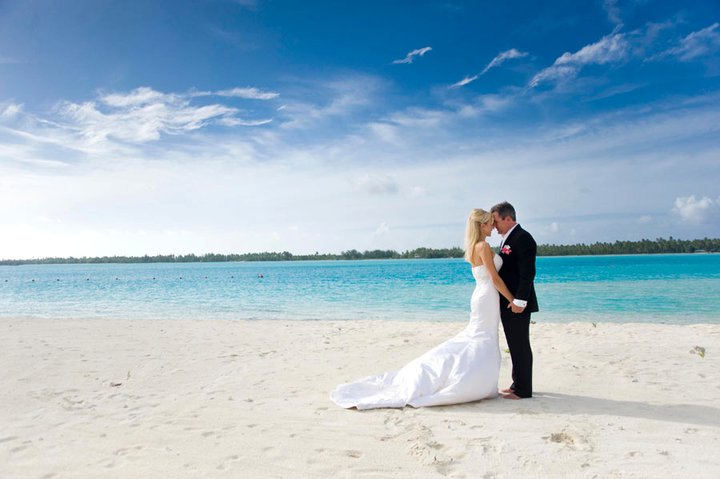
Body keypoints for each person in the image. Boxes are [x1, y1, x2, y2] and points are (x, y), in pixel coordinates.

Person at [330, 209, 516, 410]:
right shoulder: (482, 246)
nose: (492, 226)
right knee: (480, 338)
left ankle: (480, 380)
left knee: (479, 336)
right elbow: (495, 279)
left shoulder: (472, 247)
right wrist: (513, 300)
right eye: (489, 223)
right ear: (481, 226)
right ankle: (473, 381)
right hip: (487, 295)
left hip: (481, 295)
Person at [491, 202, 538, 400]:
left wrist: (519, 301)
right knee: (514, 343)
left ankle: (523, 390)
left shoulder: (523, 238)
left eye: (496, 221)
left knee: (520, 345)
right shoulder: (507, 239)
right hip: (509, 302)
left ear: (508, 218)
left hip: (517, 303)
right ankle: (516, 383)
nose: (494, 226)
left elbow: (528, 273)